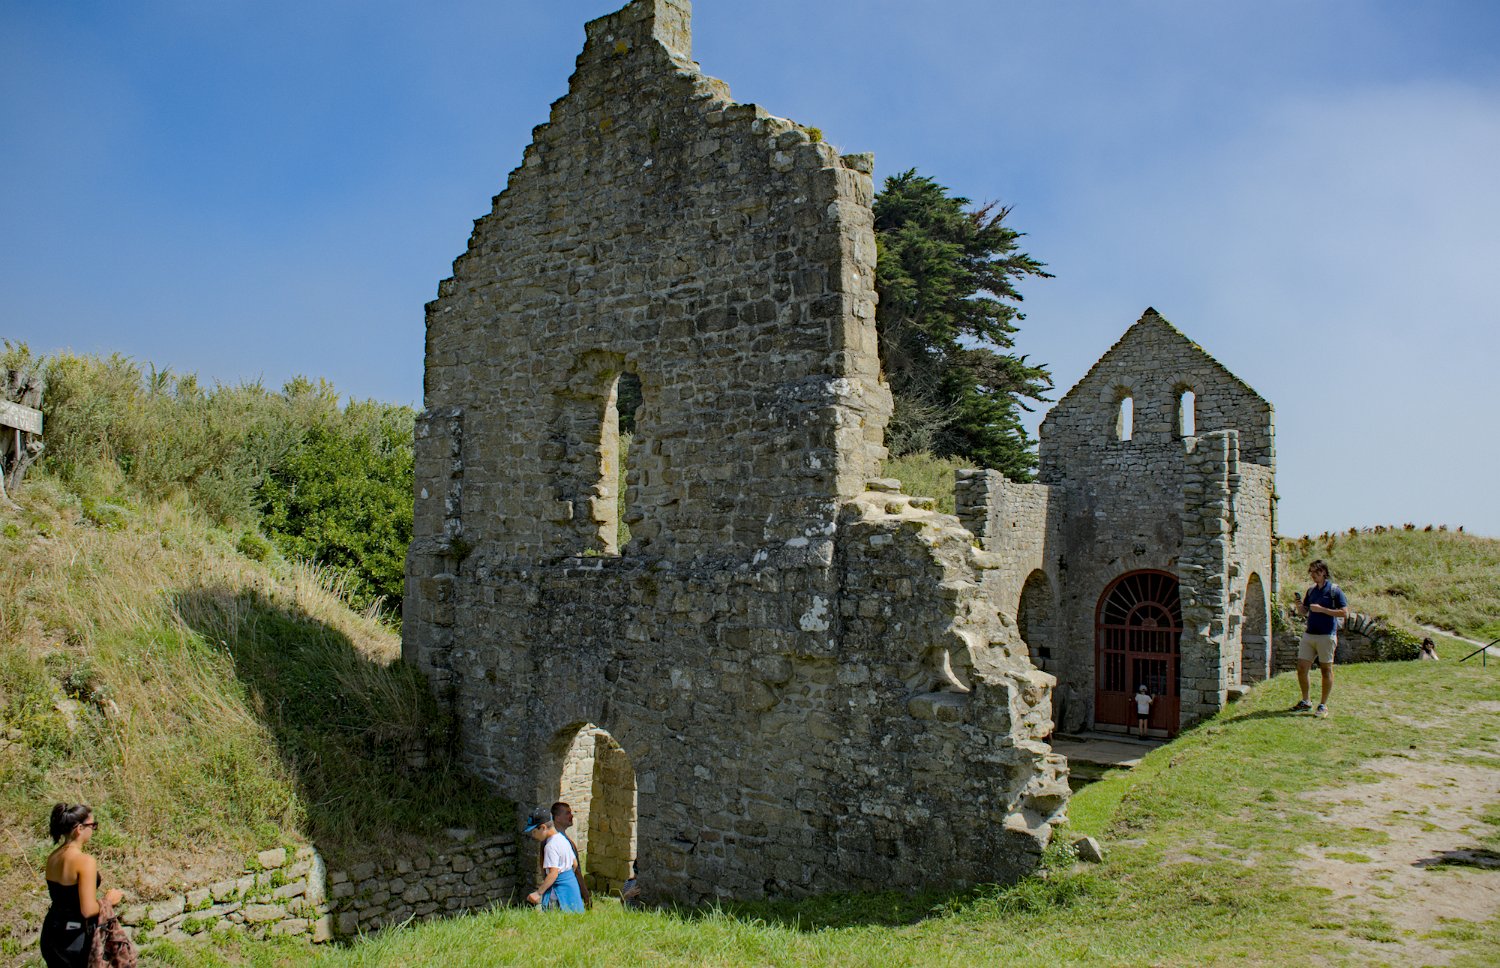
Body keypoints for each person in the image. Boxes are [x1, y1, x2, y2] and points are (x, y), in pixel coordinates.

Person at [41, 803, 124, 968]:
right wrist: (108, 901)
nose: (93, 829)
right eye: (92, 825)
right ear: (79, 828)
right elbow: (87, 910)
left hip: (51, 932)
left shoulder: (53, 857)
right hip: (75, 937)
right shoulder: (85, 861)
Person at [1291, 559, 1349, 719]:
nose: (1313, 576)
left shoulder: (1335, 591)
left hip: (1326, 635)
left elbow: (1344, 612)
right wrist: (1298, 605)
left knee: (1326, 670)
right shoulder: (1311, 591)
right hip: (1310, 634)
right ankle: (1306, 701)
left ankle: (1323, 705)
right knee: (1302, 667)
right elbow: (1304, 612)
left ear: (1323, 572)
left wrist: (1323, 610)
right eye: (1311, 572)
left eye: (1316, 572)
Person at [523, 805, 585, 912]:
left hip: (559, 894)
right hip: (571, 890)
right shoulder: (563, 839)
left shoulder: (550, 846)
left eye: (534, 832)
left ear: (543, 827)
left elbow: (553, 873)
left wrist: (538, 893)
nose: (533, 836)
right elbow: (574, 864)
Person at [548, 802, 591, 909]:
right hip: (559, 894)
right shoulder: (551, 842)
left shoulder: (565, 840)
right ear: (557, 818)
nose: (571, 816)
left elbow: (577, 869)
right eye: (567, 813)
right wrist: (585, 893)